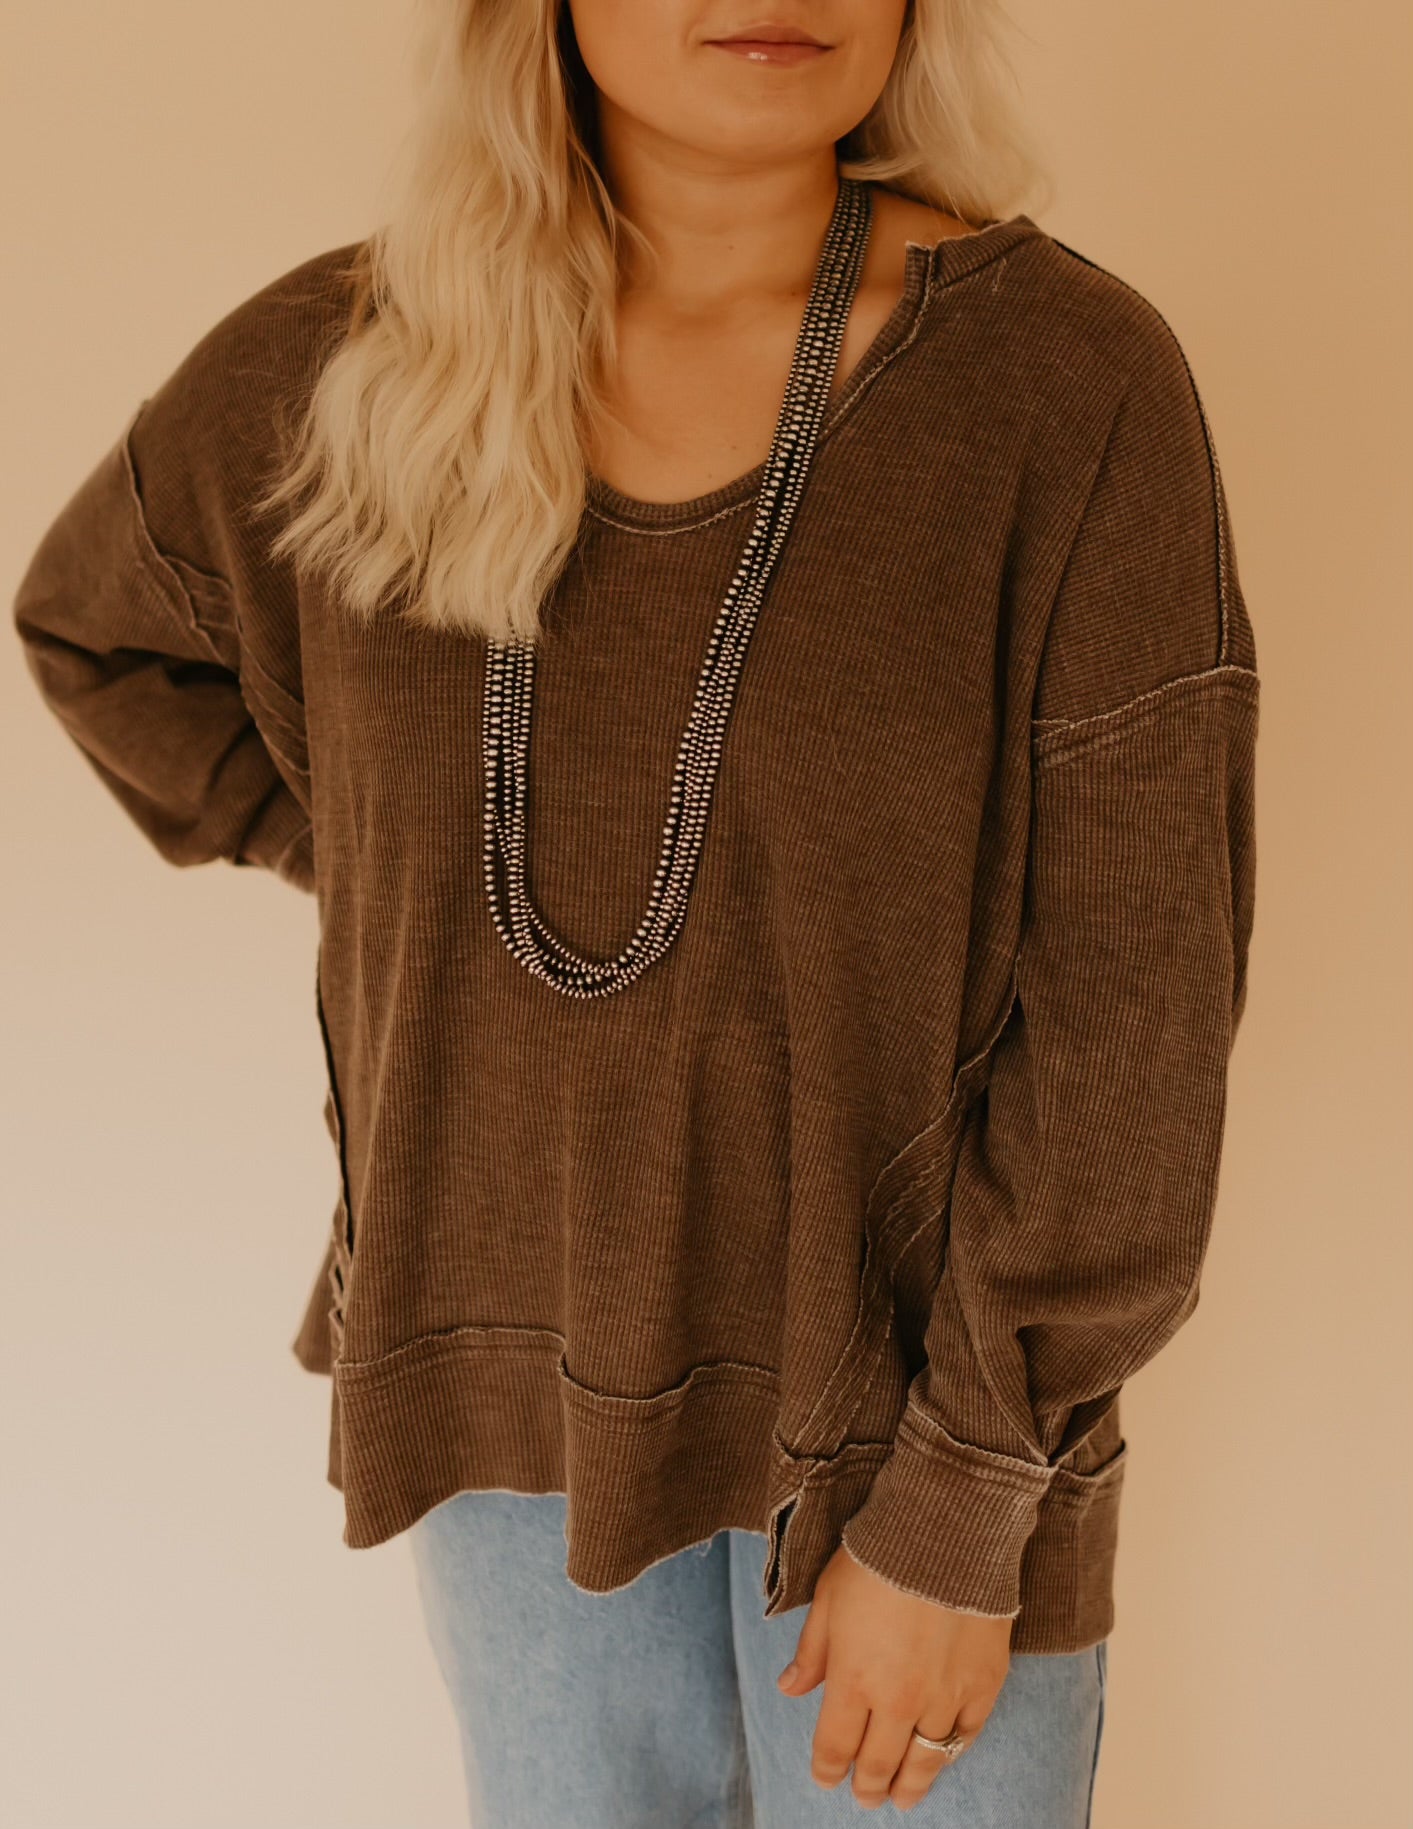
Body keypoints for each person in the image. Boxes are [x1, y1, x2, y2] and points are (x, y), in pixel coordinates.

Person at [12, 0, 1260, 1822]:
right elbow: (101, 632)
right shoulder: (346, 364)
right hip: (496, 1397)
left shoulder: (1060, 382)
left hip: (907, 1424)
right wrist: (413, 888)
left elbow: (1134, 1005)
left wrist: (967, 1495)